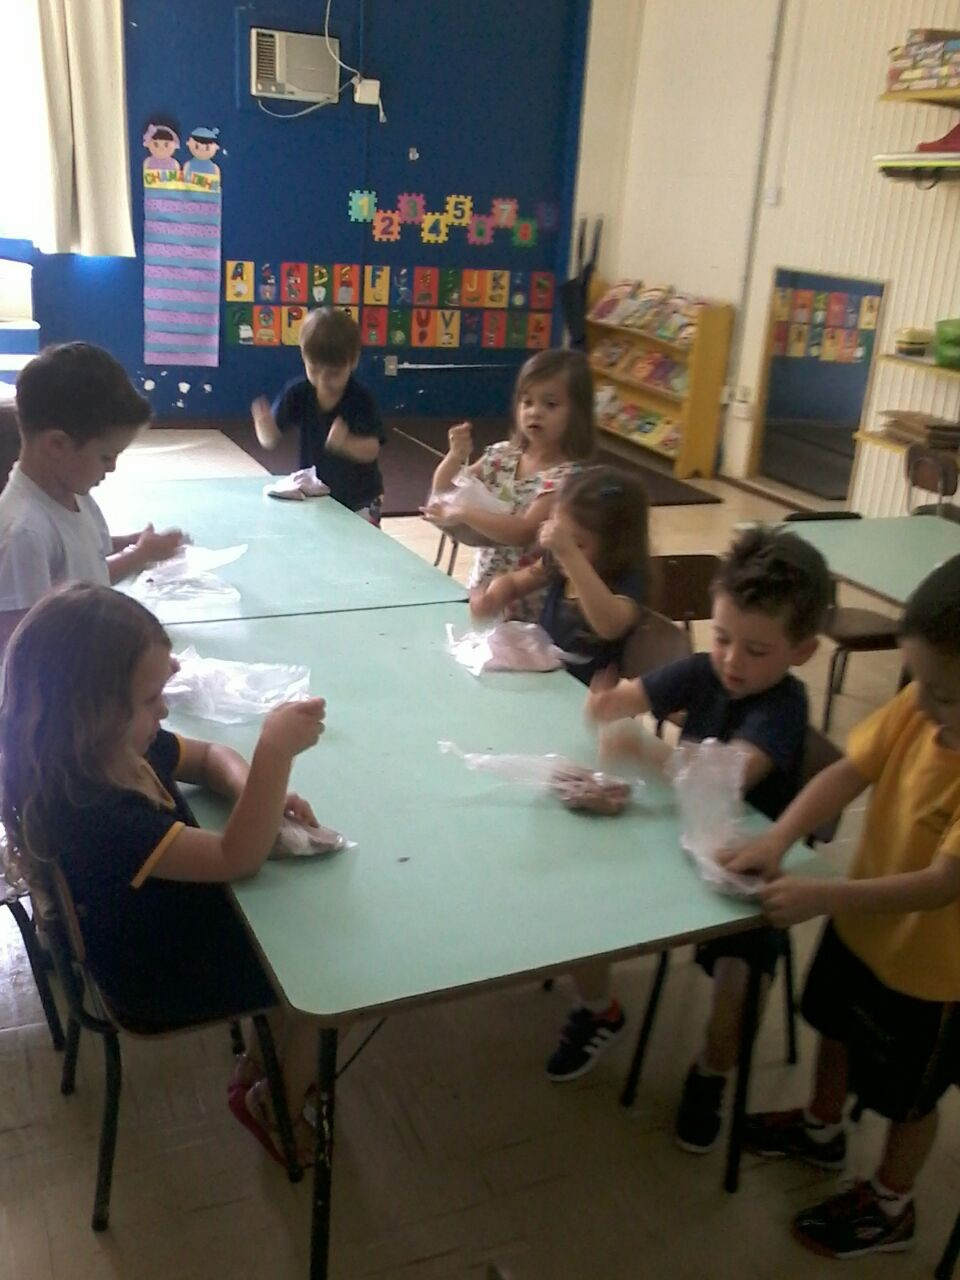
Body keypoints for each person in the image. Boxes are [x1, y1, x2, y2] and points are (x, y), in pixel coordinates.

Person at [0, 584, 328, 1164]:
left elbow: (208, 757)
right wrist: (274, 755)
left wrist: (256, 792)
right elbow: (235, 857)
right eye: (151, 699)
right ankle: (275, 1104)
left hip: (156, 923)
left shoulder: (101, 751)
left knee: (298, 919)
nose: (165, 710)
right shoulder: (96, 810)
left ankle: (259, 1063)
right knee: (323, 974)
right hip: (154, 974)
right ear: (94, 713)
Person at [547, 527, 831, 1156]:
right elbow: (629, 697)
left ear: (803, 651)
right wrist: (606, 702)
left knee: (737, 992)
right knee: (574, 896)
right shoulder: (705, 670)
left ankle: (711, 1072)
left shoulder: (784, 705)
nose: (732, 661)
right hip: (672, 843)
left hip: (746, 874)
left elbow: (730, 776)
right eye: (723, 637)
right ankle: (599, 1009)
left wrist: (646, 751)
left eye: (756, 650)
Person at [719, 554, 960, 1260]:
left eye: (944, 694)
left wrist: (820, 892)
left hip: (933, 975)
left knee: (908, 1097)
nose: (921, 704)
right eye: (916, 681)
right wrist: (780, 837)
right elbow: (850, 771)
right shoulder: (919, 712)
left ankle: (891, 1203)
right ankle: (822, 1127)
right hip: (862, 928)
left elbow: (941, 884)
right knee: (836, 1028)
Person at [0, 343, 185, 651]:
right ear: (57, 445)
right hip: (66, 674)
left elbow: (86, 573)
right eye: (106, 456)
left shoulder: (73, 492)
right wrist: (140, 555)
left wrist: (133, 543)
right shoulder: (24, 533)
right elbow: (22, 645)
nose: (112, 468)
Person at [424, 349, 594, 615]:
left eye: (550, 404)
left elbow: (522, 532)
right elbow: (446, 491)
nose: (535, 412)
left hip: (527, 605)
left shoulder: (567, 478)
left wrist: (464, 512)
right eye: (527, 402)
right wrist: (455, 457)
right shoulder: (503, 455)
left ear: (578, 413)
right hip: (484, 588)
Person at [469, 466, 649, 684]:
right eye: (562, 537)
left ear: (616, 546)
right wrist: (494, 597)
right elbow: (516, 582)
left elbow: (610, 626)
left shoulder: (627, 578)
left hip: (584, 692)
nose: (562, 551)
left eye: (578, 544)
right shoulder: (559, 560)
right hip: (547, 678)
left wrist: (569, 554)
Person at [251, 307, 386, 524]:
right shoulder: (298, 393)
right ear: (304, 358)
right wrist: (264, 427)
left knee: (359, 543)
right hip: (318, 495)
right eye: (314, 370)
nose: (323, 380)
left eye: (333, 373)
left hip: (361, 498)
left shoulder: (361, 399)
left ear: (353, 361)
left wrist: (346, 443)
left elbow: (371, 449)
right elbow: (270, 440)